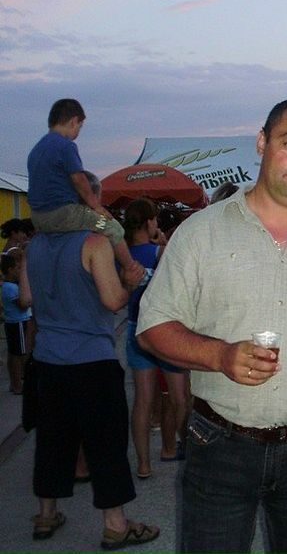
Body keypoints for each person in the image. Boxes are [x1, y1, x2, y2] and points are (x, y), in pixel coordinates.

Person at [136, 98, 287, 554]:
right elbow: (153, 327)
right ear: (263, 143)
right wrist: (220, 356)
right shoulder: (201, 232)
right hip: (219, 443)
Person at [25, 171, 159, 549]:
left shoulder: (35, 245)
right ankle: (116, 525)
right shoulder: (94, 242)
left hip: (48, 359)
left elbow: (27, 298)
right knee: (105, 444)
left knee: (52, 440)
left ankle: (46, 514)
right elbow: (113, 301)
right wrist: (129, 283)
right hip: (91, 361)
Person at [26, 99, 143, 289]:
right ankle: (131, 269)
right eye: (80, 127)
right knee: (112, 228)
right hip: (64, 213)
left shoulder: (36, 150)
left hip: (38, 217)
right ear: (74, 121)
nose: (78, 132)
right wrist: (96, 207)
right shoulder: (65, 146)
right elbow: (79, 179)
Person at [123, 198, 190, 479]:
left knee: (143, 400)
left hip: (135, 327)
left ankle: (143, 464)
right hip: (165, 330)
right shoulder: (162, 252)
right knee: (180, 397)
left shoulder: (122, 255)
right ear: (150, 222)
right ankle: (186, 450)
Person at [1, 247, 33, 394]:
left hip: (13, 322)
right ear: (10, 270)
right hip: (18, 322)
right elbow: (22, 305)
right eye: (17, 268)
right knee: (19, 355)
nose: (19, 271)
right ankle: (17, 384)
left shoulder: (9, 286)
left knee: (14, 353)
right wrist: (29, 298)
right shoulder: (11, 288)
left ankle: (15, 383)